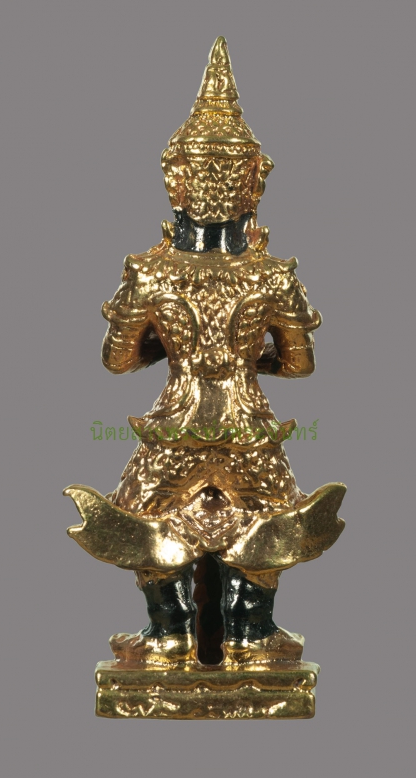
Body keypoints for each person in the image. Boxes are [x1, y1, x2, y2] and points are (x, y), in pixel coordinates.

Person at [67, 37, 345, 666]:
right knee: (269, 521)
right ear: (254, 181)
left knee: (146, 521)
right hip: (247, 424)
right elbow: (300, 365)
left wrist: (166, 354)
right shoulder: (273, 275)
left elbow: (117, 361)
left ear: (176, 179)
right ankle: (251, 636)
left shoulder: (148, 273)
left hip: (174, 423)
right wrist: (251, 363)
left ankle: (168, 634)